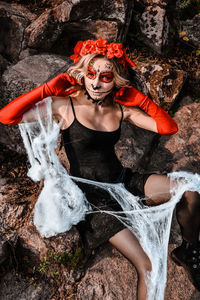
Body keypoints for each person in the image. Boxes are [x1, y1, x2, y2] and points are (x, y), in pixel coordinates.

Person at [0, 37, 200, 299]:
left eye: (105, 77)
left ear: (114, 80)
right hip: (91, 198)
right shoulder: (66, 104)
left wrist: (140, 100)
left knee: (190, 191)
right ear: (81, 74)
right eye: (91, 74)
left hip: (124, 181)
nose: (96, 82)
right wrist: (48, 89)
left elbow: (168, 128)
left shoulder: (119, 110)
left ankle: (189, 249)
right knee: (149, 267)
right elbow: (7, 116)